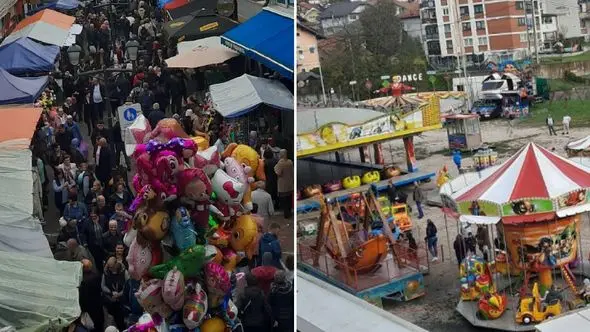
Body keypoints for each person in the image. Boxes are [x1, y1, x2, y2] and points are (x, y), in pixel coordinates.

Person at [102, 257, 127, 330]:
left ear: (116, 264)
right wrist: (110, 293)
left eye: (112, 267)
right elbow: (103, 286)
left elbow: (127, 286)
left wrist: (119, 294)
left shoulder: (124, 272)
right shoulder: (106, 271)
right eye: (109, 266)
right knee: (110, 321)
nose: (110, 268)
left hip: (121, 301)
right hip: (110, 300)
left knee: (121, 321)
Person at [274, 149, 294, 219]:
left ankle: (286, 214)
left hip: (283, 184)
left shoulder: (281, 163)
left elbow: (278, 172)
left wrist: (275, 167)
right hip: (290, 184)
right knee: (289, 200)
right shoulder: (290, 162)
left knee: (284, 200)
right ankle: (289, 212)